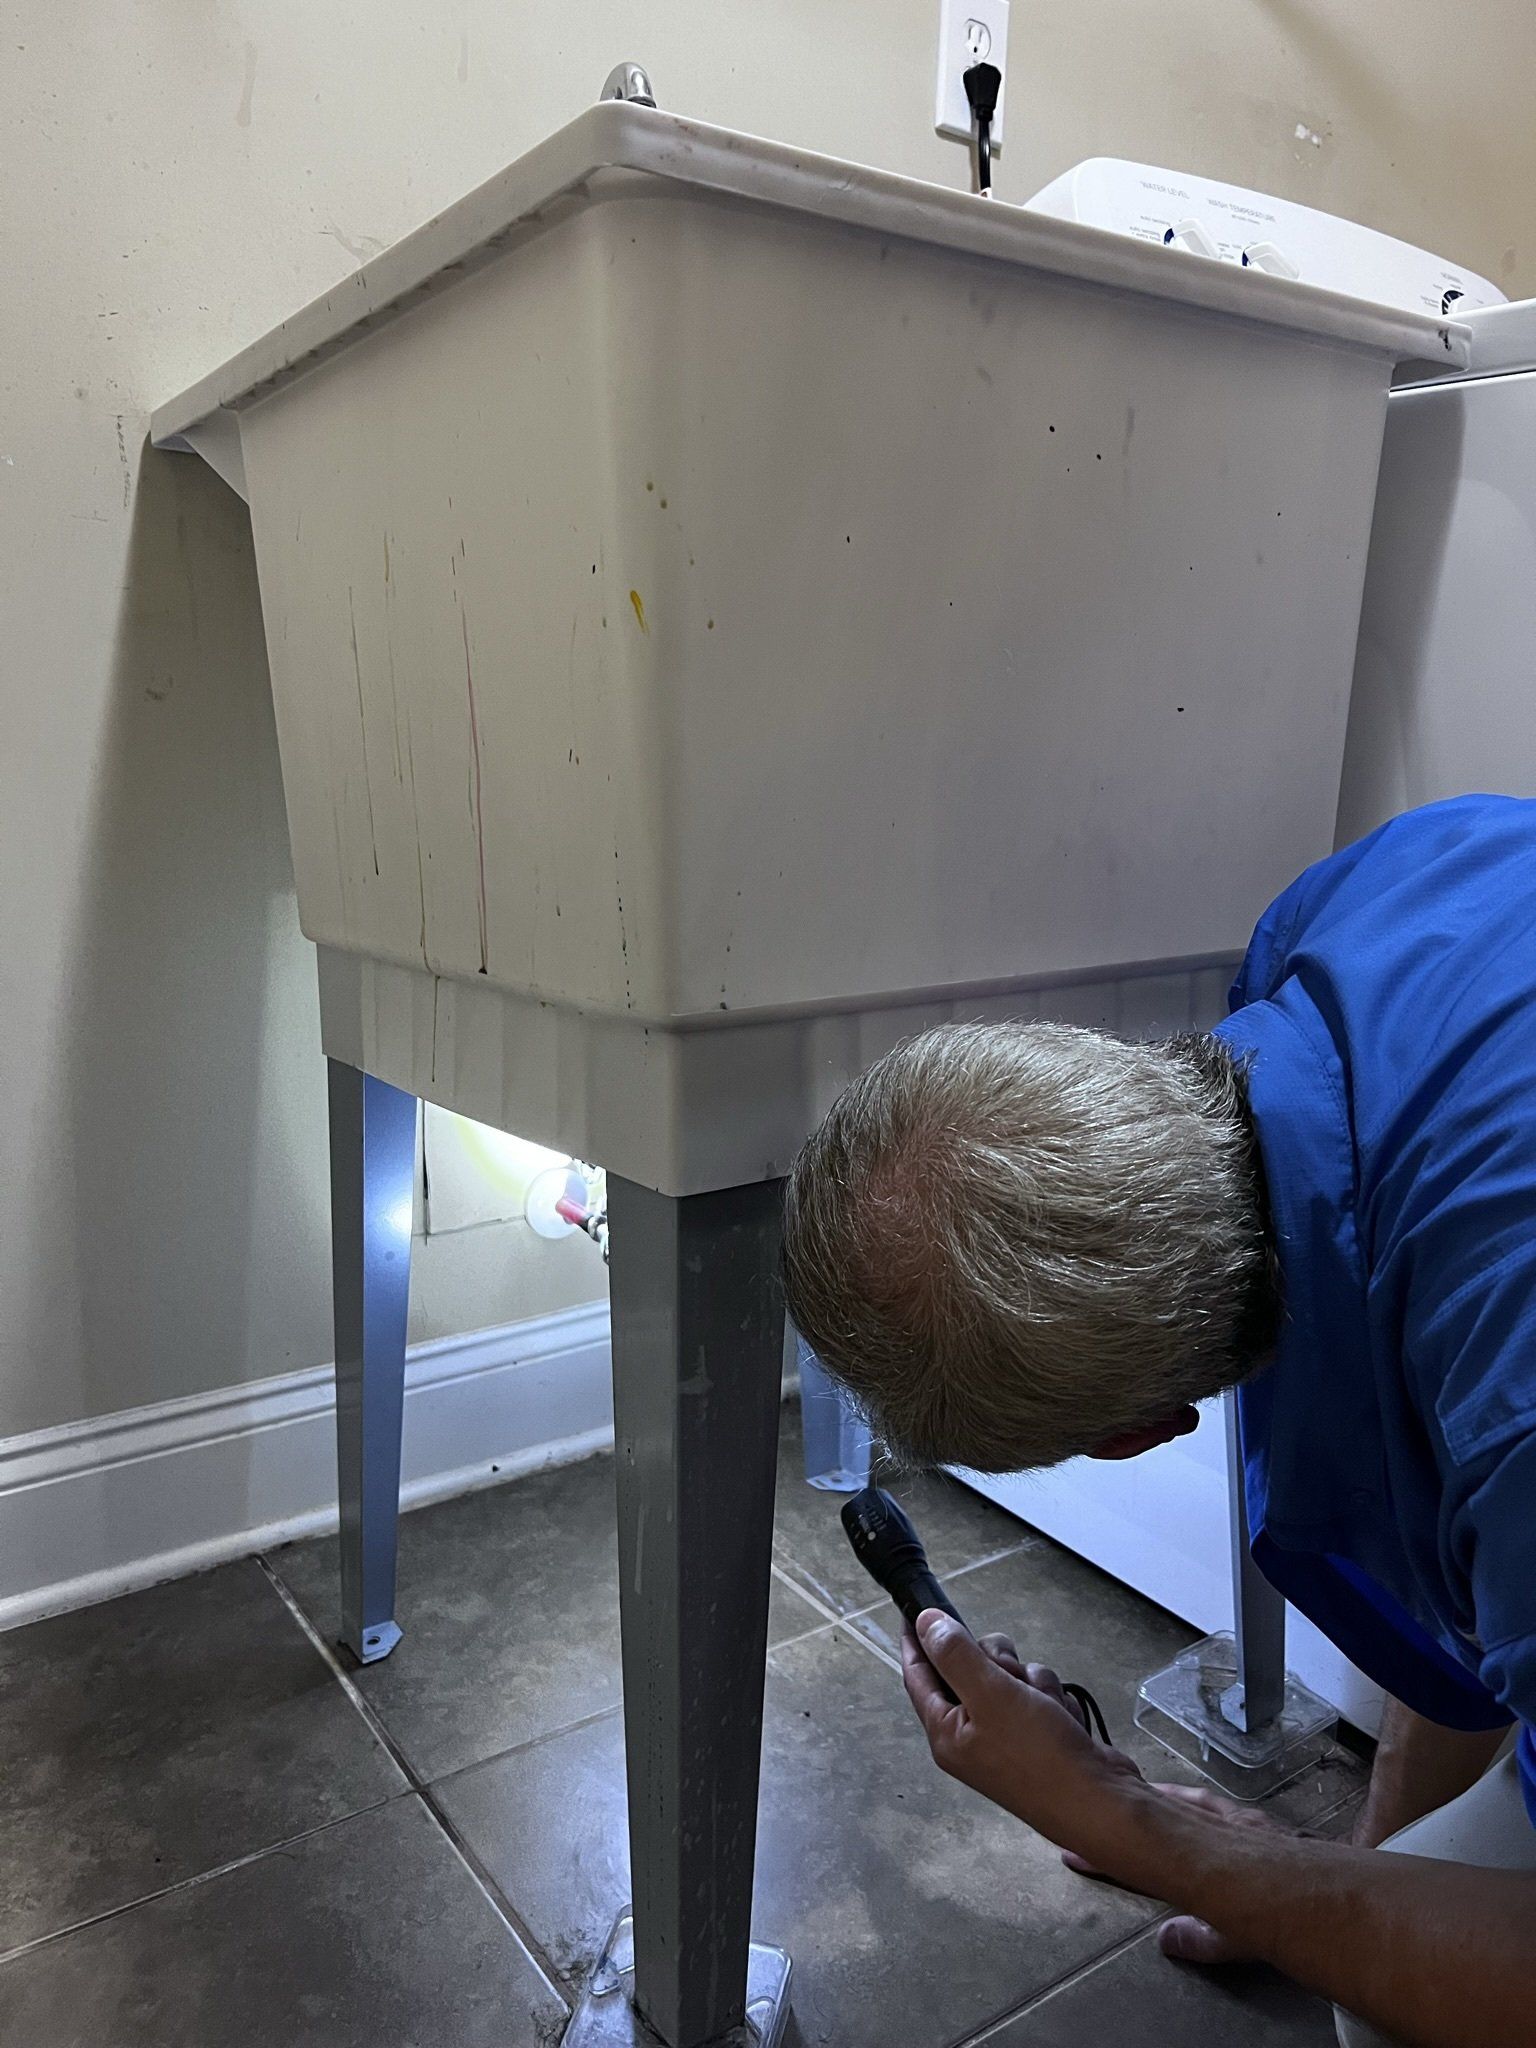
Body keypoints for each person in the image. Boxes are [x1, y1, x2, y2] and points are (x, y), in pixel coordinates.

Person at [781, 794, 1536, 2048]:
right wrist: (1352, 1879)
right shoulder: (1338, 918)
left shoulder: (1515, 1422)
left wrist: (1145, 1830)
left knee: (1394, 2022)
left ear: (1144, 1433)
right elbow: (1462, 1559)